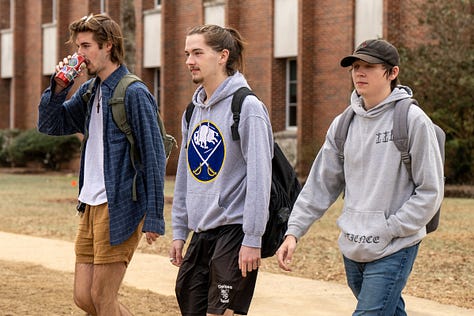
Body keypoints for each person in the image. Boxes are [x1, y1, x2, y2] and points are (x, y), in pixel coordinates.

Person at [277, 39, 444, 315]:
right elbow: (321, 184)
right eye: (355, 67)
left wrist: (391, 228)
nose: (359, 73)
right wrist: (294, 231)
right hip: (353, 245)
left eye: (369, 66)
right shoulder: (344, 123)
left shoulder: (413, 120)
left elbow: (430, 191)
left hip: (395, 245)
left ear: (392, 73)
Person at [38, 13, 166, 316]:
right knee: (84, 297)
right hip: (90, 202)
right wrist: (58, 88)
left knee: (102, 296)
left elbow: (154, 154)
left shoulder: (133, 92)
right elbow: (49, 124)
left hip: (120, 203)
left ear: (108, 45)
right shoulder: (89, 90)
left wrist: (154, 216)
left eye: (85, 46)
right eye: (77, 47)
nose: (78, 55)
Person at [169, 24, 273, 316]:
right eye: (187, 53)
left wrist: (253, 238)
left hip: (234, 232)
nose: (189, 60)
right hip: (201, 232)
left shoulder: (247, 106)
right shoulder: (192, 111)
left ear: (222, 56)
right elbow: (184, 176)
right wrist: (179, 230)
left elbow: (260, 178)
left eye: (198, 53)